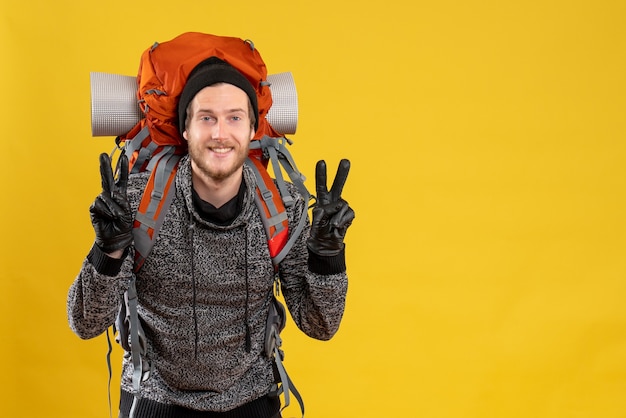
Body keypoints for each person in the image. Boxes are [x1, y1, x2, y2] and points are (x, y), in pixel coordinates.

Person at [67, 56, 355, 417]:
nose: (220, 133)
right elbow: (85, 323)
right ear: (186, 129)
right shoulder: (136, 204)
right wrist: (106, 254)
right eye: (207, 118)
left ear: (252, 129)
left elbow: (320, 325)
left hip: (252, 398)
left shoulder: (281, 209)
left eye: (234, 117)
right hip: (156, 398)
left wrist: (327, 258)